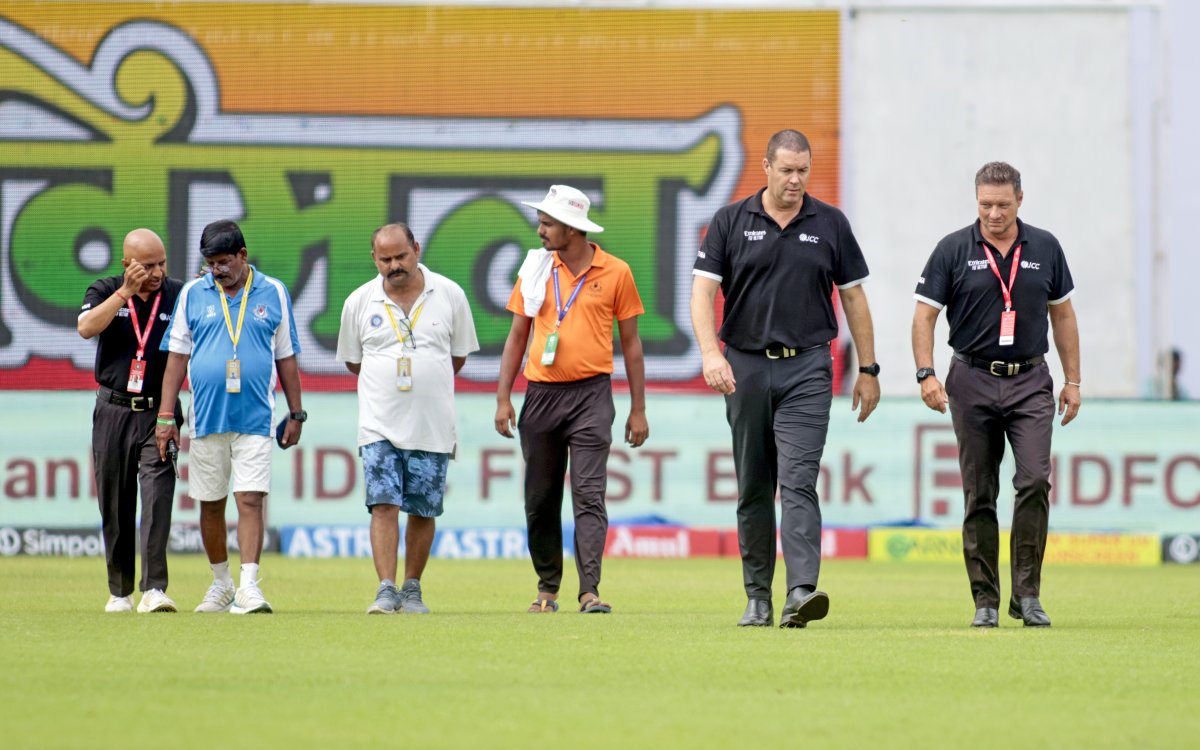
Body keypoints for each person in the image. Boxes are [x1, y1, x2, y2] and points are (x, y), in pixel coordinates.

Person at [690, 130, 880, 629]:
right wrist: (710, 354)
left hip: (808, 368)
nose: (795, 180)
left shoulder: (831, 223)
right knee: (754, 486)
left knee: (799, 479)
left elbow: (854, 298)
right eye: (787, 170)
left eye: (803, 171)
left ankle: (800, 591)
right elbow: (701, 292)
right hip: (745, 367)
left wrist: (868, 368)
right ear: (767, 168)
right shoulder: (730, 221)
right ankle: (758, 597)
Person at [912, 161, 1081, 628]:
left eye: (1003, 204)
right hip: (971, 379)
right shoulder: (951, 249)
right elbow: (924, 316)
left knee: (1034, 481)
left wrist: (1073, 380)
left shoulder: (1046, 247)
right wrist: (926, 374)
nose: (993, 213)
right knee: (979, 492)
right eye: (985, 204)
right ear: (976, 200)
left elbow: (1063, 315)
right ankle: (985, 599)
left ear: (1020, 200)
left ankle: (1027, 595)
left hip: (1030, 380)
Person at [494, 184, 649, 614]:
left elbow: (632, 345)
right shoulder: (535, 268)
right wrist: (503, 397)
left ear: (572, 228)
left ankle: (589, 592)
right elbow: (517, 337)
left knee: (589, 494)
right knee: (540, 498)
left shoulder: (616, 272)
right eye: (541, 222)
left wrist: (638, 409)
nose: (540, 230)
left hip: (592, 396)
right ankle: (547, 589)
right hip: (540, 395)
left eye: (547, 223)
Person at [155, 219, 305, 615]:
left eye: (223, 262)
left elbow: (287, 356)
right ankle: (221, 584)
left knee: (250, 499)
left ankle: (249, 586)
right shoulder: (192, 293)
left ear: (243, 255)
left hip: (256, 416)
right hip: (206, 417)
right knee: (210, 503)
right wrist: (166, 416)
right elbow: (177, 358)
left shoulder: (273, 291)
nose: (217, 270)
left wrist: (296, 412)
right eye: (210, 264)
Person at [336, 224, 479, 614]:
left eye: (401, 256)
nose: (394, 265)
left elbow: (458, 356)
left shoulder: (450, 294)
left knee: (422, 509)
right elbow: (354, 361)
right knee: (383, 504)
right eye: (385, 259)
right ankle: (386, 588)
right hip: (378, 424)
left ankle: (412, 588)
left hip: (433, 426)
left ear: (416, 248)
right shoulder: (359, 301)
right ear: (374, 259)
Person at [78, 228, 183, 614]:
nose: (157, 273)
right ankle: (119, 591)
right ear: (127, 264)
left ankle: (154, 588)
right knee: (115, 500)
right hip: (113, 408)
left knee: (158, 497)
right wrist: (124, 292)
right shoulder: (105, 289)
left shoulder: (178, 294)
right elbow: (86, 328)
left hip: (159, 410)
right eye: (147, 266)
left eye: (162, 264)